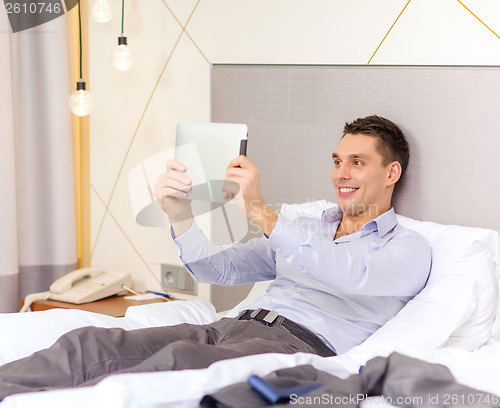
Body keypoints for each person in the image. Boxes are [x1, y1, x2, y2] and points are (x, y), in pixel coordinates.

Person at [0, 115, 431, 399]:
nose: (341, 173)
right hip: (229, 327)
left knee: (174, 365)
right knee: (92, 342)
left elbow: (348, 274)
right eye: (338, 160)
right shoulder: (308, 227)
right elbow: (217, 268)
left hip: (295, 346)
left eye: (358, 162)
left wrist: (263, 213)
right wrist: (180, 215)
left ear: (391, 172)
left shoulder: (408, 248)